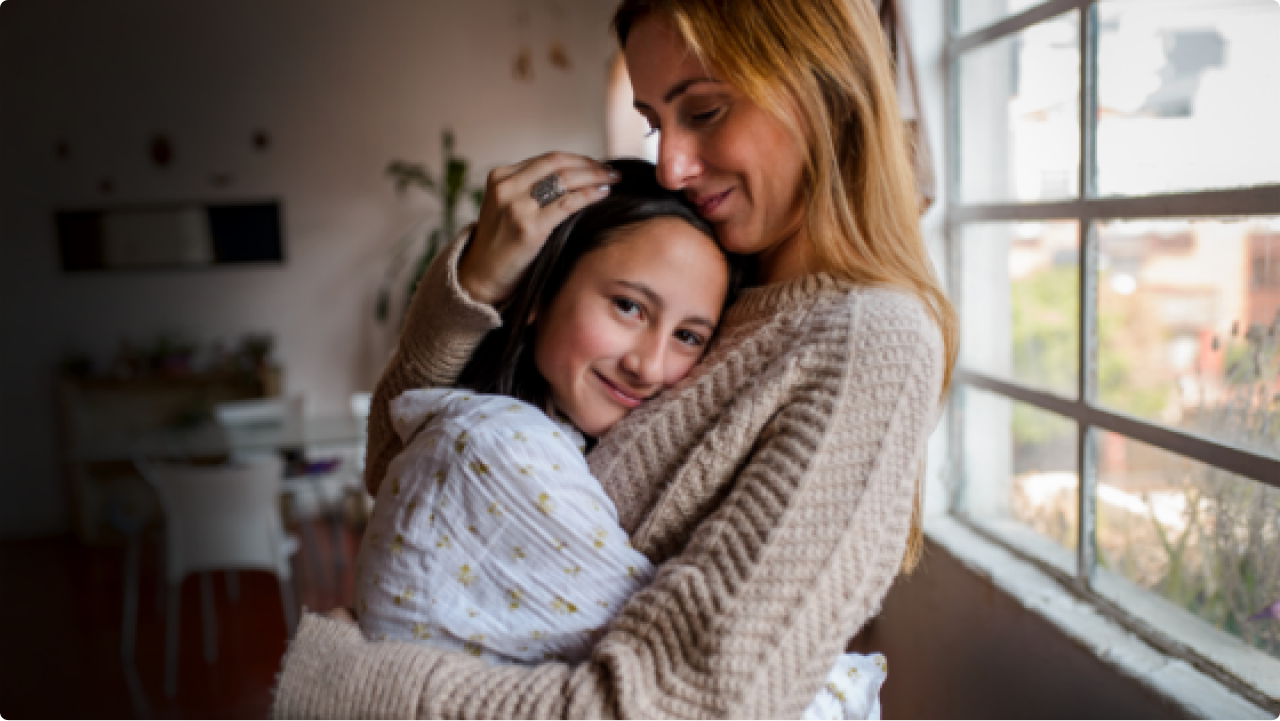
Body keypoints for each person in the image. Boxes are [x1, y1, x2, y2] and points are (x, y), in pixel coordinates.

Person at [273, 0, 956, 718]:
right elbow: (399, 465)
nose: (670, 163)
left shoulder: (867, 344)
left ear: (821, 82)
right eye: (656, 121)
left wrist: (354, 691)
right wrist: (474, 283)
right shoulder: (719, 270)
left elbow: (688, 706)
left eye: (707, 110)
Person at [354, 160, 887, 721]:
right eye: (628, 306)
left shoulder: (542, 439)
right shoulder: (497, 451)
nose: (649, 365)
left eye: (688, 336)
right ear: (541, 291)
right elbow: (727, 690)